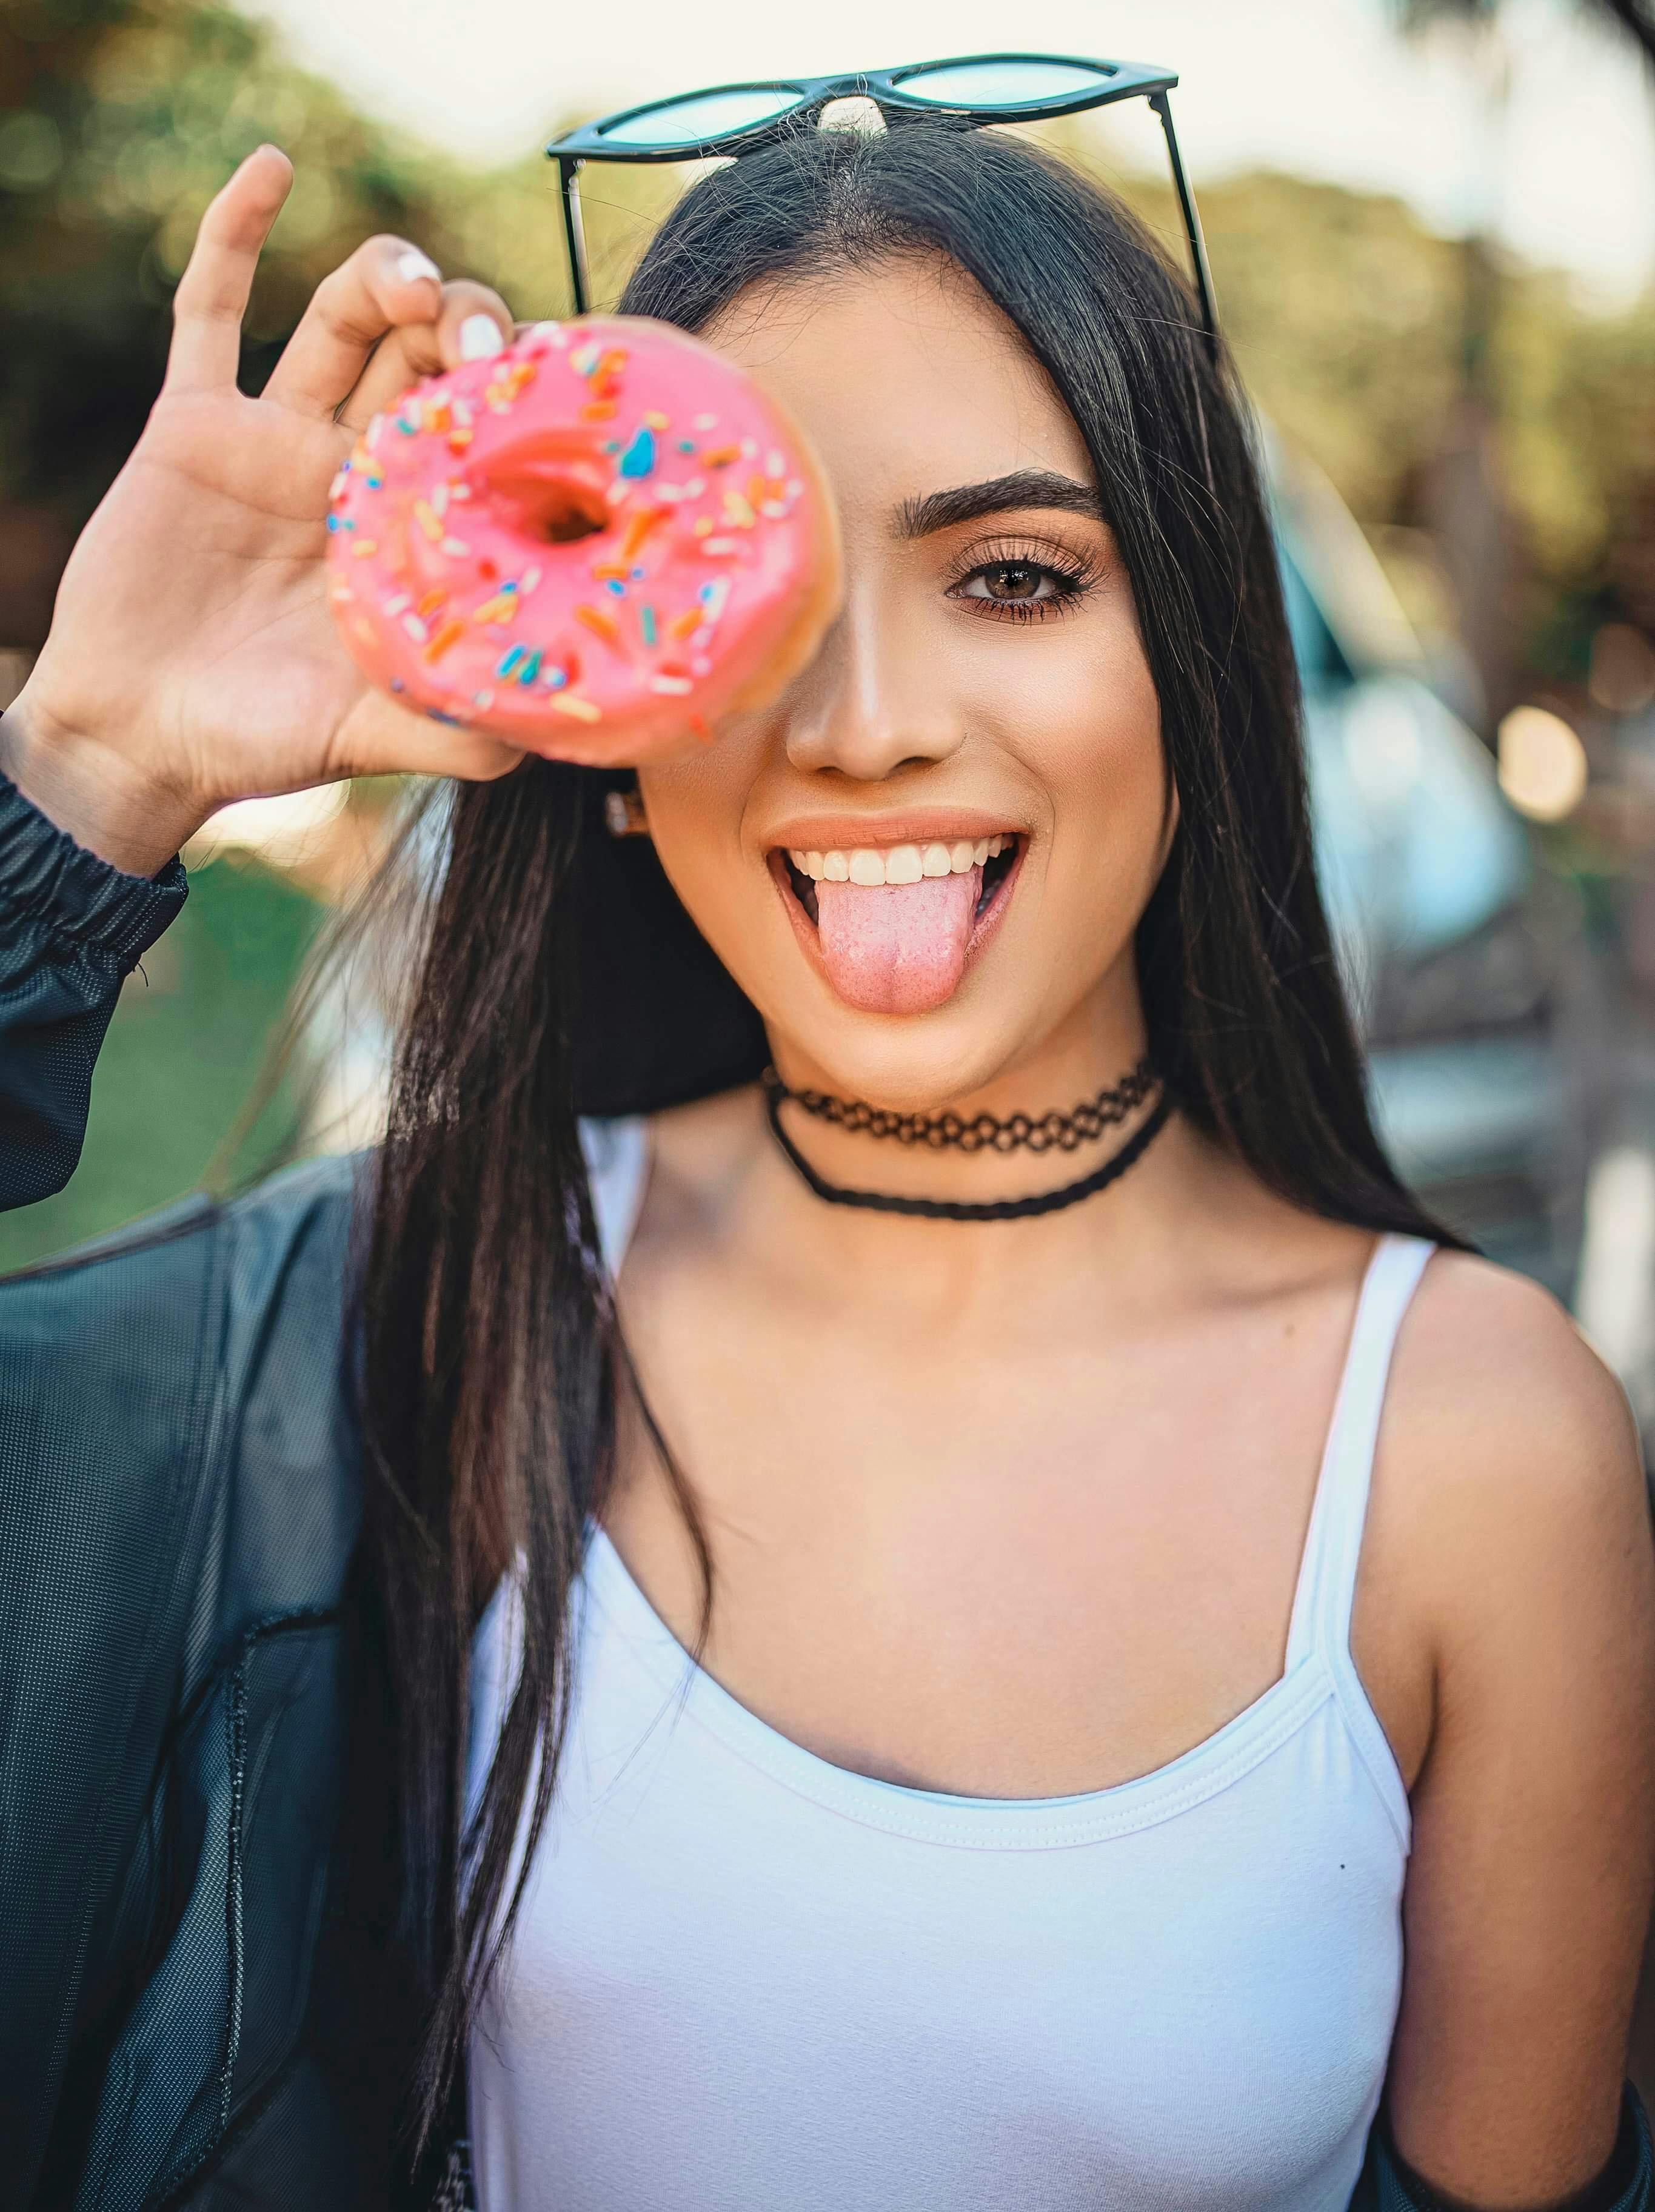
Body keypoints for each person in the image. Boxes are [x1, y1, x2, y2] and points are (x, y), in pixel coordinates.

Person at [2, 125, 1653, 2212]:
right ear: (604, 731)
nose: (863, 723)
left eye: (1013, 577)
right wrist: (91, 774)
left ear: (1198, 676)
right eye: (752, 597)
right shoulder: (422, 1302)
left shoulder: (1477, 1448)